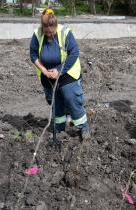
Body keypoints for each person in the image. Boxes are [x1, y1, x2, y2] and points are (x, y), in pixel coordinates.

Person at [30, 8, 90, 140]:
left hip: (67, 73)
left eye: (51, 32)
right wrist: (44, 70)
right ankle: (59, 127)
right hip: (48, 76)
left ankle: (83, 127)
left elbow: (74, 53)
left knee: (71, 99)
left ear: (56, 27)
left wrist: (59, 70)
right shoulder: (37, 34)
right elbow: (33, 54)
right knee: (55, 103)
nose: (49, 35)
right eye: (46, 33)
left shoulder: (65, 33)